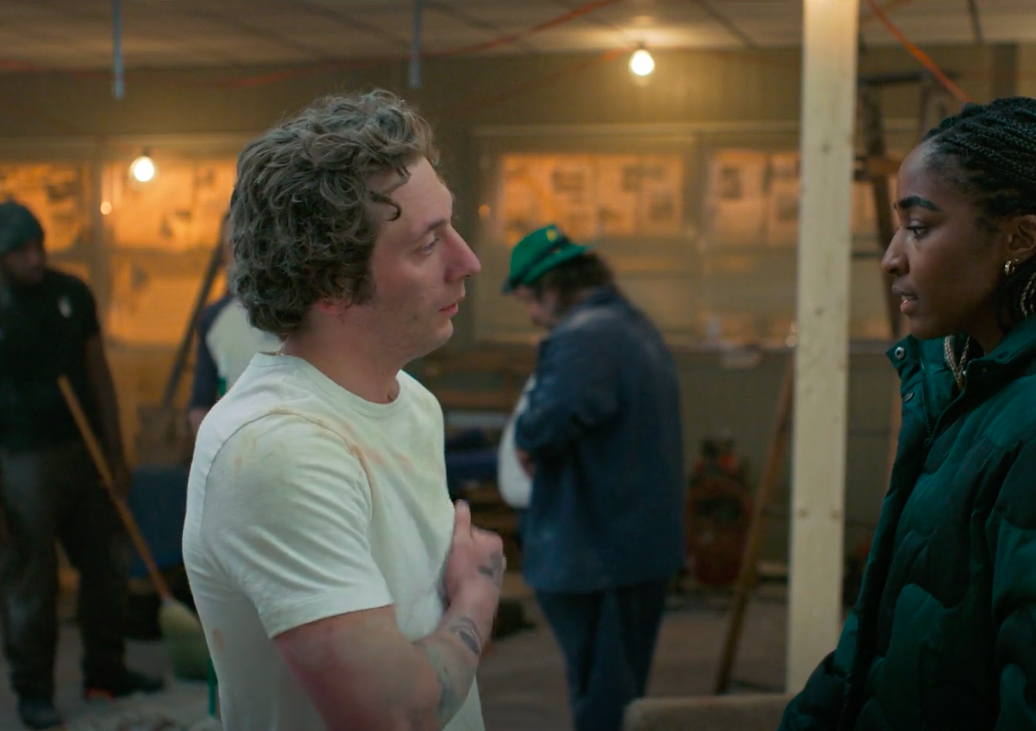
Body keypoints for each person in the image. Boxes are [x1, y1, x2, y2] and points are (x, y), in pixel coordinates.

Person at [779, 97, 1036, 730]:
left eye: (919, 228)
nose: (892, 257)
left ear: (1019, 240)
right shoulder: (968, 387)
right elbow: (874, 649)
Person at [182, 90, 502, 731]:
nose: (467, 262)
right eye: (427, 245)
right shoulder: (276, 450)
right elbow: (392, 713)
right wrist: (477, 596)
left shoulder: (412, 402)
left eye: (451, 227)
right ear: (331, 283)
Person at [0, 201, 163, 729]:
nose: (35, 258)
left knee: (106, 566)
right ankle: (33, 691)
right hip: (21, 461)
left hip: (83, 453)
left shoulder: (71, 294)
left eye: (39, 246)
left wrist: (115, 451)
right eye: (21, 251)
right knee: (31, 581)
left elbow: (99, 375)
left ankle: (106, 672)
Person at [506, 224, 686, 731]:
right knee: (619, 690)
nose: (533, 315)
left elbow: (545, 424)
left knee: (603, 699)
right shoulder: (630, 325)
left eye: (529, 300)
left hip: (597, 554)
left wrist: (526, 437)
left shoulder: (584, 338)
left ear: (552, 286)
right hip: (632, 546)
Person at [187, 213, 281, 436]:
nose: (240, 257)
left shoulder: (304, 314)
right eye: (232, 247)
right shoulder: (214, 319)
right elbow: (200, 406)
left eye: (246, 246)